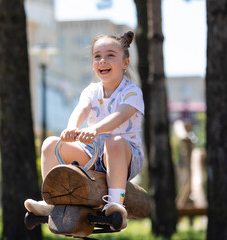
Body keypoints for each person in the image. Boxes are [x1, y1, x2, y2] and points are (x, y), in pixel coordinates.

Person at [25, 31, 144, 230]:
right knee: (50, 144)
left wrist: (95, 129)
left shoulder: (132, 91)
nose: (102, 60)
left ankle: (115, 205)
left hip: (124, 153)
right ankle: (50, 200)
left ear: (125, 63)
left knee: (113, 142)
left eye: (110, 55)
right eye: (97, 56)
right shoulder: (91, 91)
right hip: (93, 152)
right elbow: (80, 110)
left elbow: (121, 116)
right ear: (92, 64)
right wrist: (71, 128)